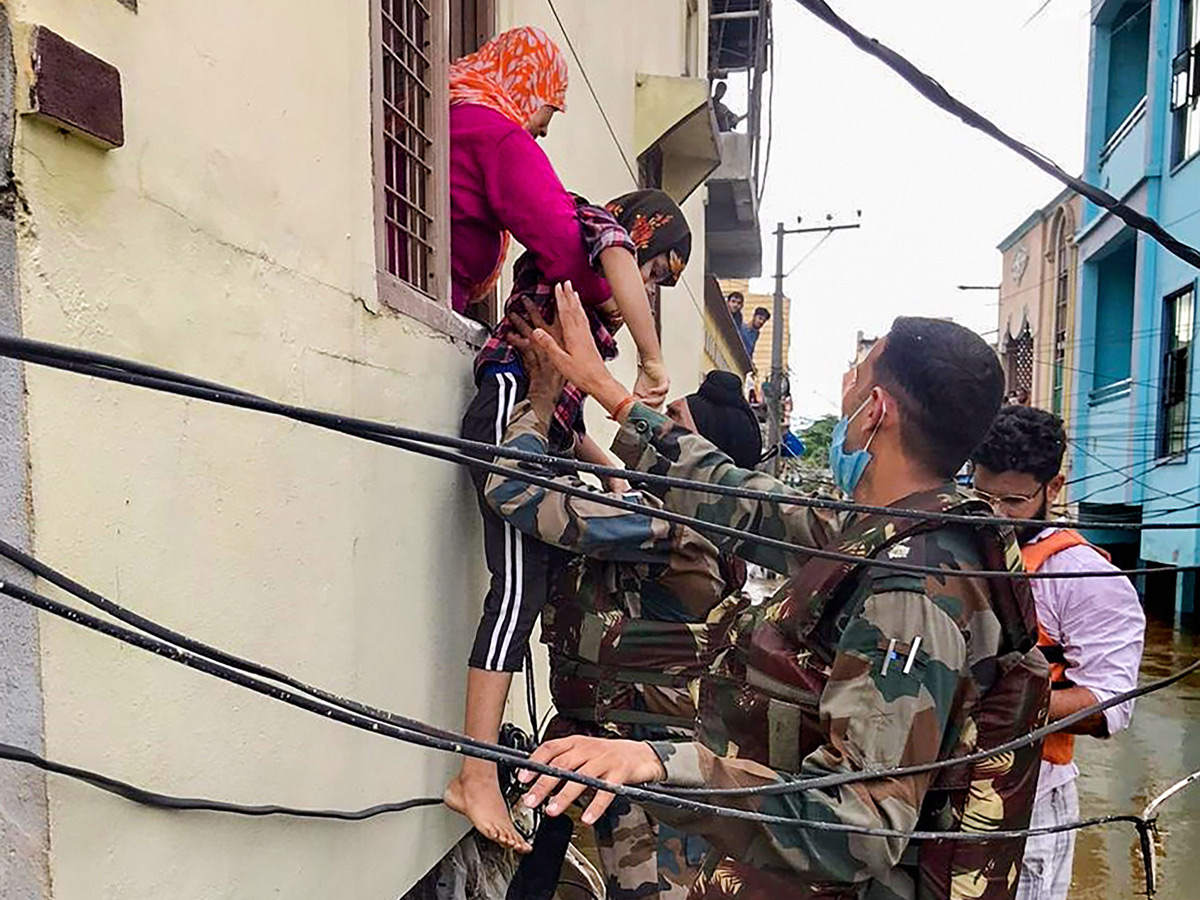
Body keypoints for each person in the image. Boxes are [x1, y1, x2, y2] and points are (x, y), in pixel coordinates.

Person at [516, 289, 1050, 900]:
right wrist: (610, 395)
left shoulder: (914, 589)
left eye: (858, 371)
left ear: (874, 411)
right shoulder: (890, 528)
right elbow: (744, 501)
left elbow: (862, 825)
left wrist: (664, 765)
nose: (844, 381)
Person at [483, 306, 762, 899]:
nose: (658, 429)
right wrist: (576, 431)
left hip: (631, 769)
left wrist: (538, 401)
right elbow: (622, 486)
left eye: (675, 427)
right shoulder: (687, 523)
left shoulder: (665, 528)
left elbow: (514, 491)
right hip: (598, 746)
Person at [446, 192, 691, 852]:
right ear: (644, 235)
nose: (646, 289)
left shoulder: (577, 299)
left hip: (538, 425)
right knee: (518, 590)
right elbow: (614, 248)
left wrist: (610, 467)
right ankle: (474, 771)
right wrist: (652, 356)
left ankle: (480, 767)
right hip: (508, 410)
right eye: (655, 274)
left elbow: (566, 423)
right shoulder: (580, 231)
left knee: (531, 587)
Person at [971, 406, 1145, 900]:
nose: (996, 514)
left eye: (1013, 500)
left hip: (1033, 789)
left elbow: (1109, 704)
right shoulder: (958, 545)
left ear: (1055, 486)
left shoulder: (1088, 579)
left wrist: (984, 709)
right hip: (941, 782)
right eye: (983, 495)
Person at [450, 26, 636, 321]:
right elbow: (562, 243)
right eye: (551, 107)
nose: (546, 129)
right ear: (528, 86)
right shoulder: (499, 137)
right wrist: (610, 299)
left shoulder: (452, 112)